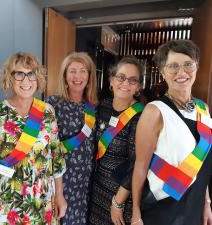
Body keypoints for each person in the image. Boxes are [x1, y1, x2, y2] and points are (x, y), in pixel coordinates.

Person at [0, 52, 67, 225]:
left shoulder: (47, 111)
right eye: (19, 74)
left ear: (37, 77)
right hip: (9, 199)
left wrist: (60, 195)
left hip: (43, 199)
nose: (26, 80)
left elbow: (56, 157)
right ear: (9, 78)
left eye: (31, 73)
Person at [131, 39, 212, 225]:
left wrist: (206, 202)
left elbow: (202, 163)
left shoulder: (203, 109)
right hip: (163, 208)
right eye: (173, 66)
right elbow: (140, 166)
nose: (181, 72)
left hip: (194, 205)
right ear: (163, 72)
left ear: (197, 67)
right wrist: (136, 212)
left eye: (188, 65)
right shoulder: (155, 111)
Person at [88, 56, 144, 225]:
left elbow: (136, 163)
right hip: (96, 188)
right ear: (111, 80)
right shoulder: (102, 106)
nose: (125, 83)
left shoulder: (141, 116)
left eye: (132, 80)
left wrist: (118, 202)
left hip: (120, 195)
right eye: (121, 77)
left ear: (138, 87)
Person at [46, 52, 98, 225]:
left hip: (86, 181)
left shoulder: (92, 108)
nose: (78, 76)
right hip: (62, 179)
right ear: (65, 75)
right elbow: (47, 146)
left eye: (83, 71)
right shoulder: (53, 104)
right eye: (72, 71)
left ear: (89, 76)